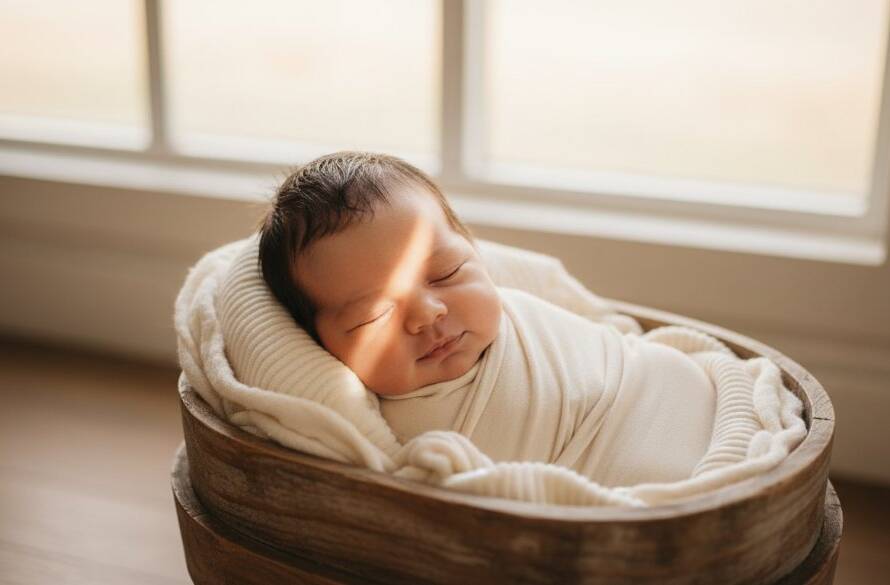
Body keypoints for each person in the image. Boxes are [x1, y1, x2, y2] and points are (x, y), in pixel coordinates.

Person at [259, 151, 719, 487]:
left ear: (474, 252)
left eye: (446, 272)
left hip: (685, 399)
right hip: (648, 491)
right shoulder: (388, 438)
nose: (428, 313)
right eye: (374, 315)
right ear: (319, 344)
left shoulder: (523, 304)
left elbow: (610, 338)